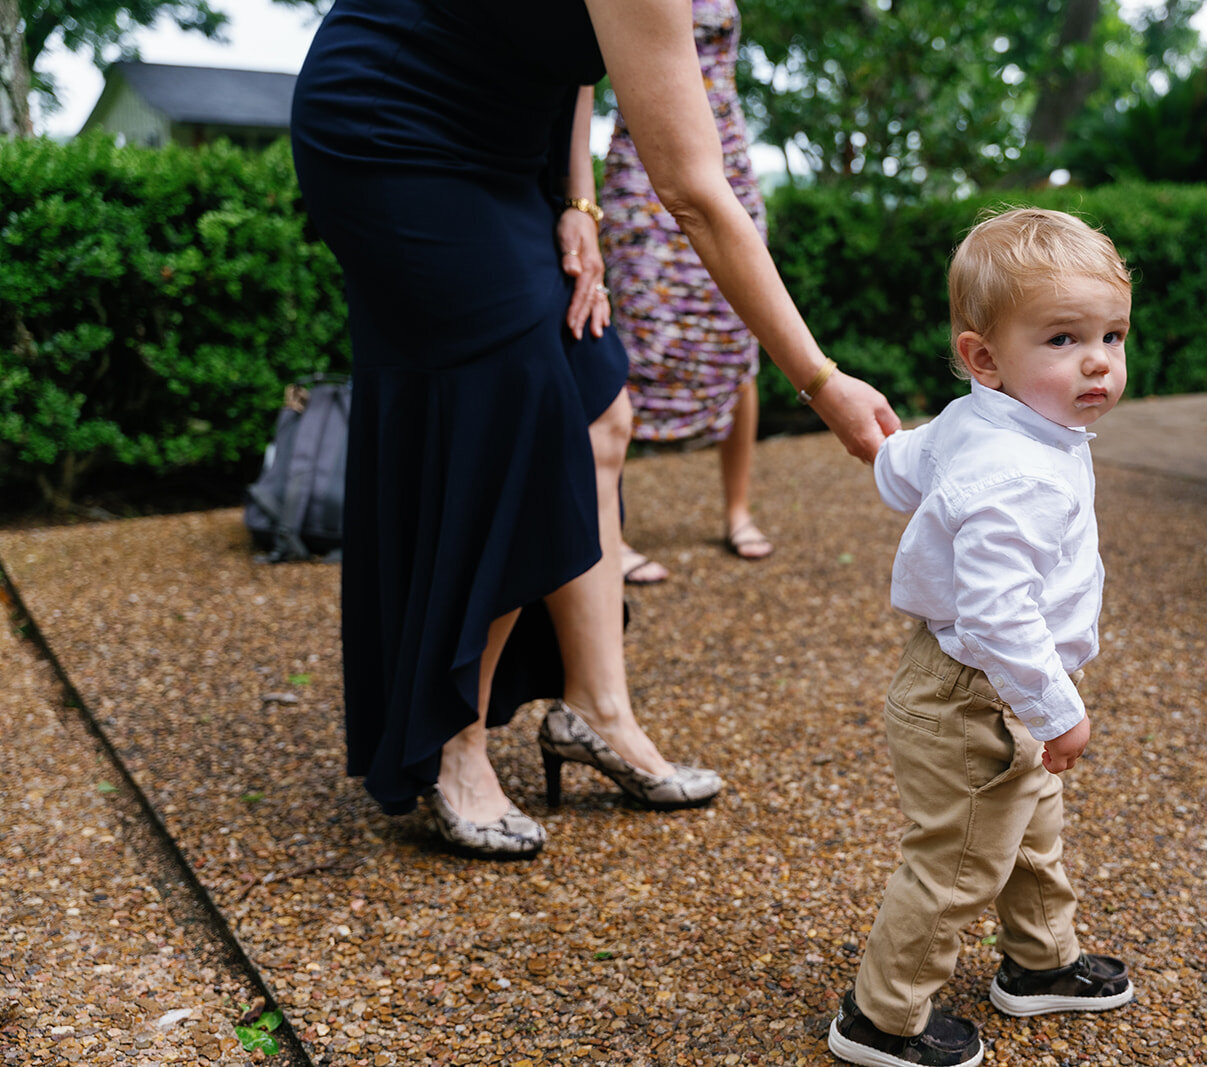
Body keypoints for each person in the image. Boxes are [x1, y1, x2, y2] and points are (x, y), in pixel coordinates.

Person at [290, 0, 899, 858]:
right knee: (520, 407)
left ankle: (597, 711)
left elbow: (574, 61)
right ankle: (452, 742)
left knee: (596, 400)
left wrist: (577, 198)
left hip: (510, 142)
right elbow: (692, 190)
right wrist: (821, 379)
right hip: (393, 127)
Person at [828, 208, 1134, 1067]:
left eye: (1112, 334)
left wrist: (885, 454)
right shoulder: (1015, 473)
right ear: (985, 358)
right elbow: (1000, 614)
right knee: (959, 857)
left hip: (989, 683)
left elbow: (909, 461)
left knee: (1030, 824)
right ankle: (881, 1018)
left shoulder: (992, 420)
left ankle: (1041, 961)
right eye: (1065, 337)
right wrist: (1057, 708)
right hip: (981, 690)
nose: (1098, 360)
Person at [600, 0, 772, 584]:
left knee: (738, 325)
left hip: (725, 155)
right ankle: (608, 531)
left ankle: (737, 511)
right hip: (643, 161)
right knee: (629, 334)